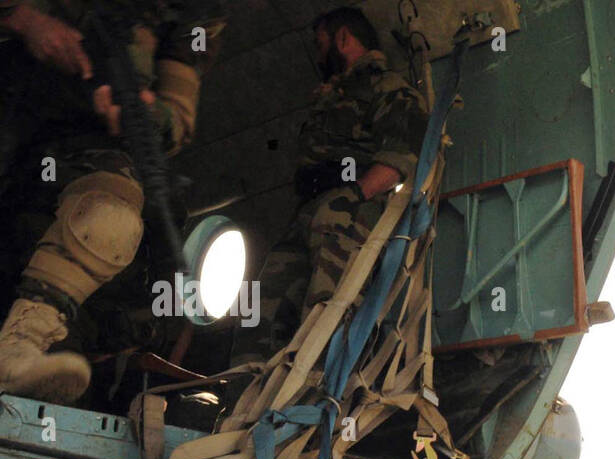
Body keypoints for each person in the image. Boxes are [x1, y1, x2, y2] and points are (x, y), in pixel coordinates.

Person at [0, 0, 225, 402]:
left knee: (112, 219)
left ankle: (20, 347)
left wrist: (144, 113)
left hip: (76, 146)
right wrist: (25, 20)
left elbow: (178, 114)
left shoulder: (190, 13)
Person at [232, 6, 427, 366]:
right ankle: (242, 396)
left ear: (343, 38)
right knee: (261, 307)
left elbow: (400, 158)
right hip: (308, 212)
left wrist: (352, 199)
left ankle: (316, 398)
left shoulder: (386, 88)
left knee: (327, 307)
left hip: (344, 214)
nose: (319, 55)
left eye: (321, 45)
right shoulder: (333, 96)